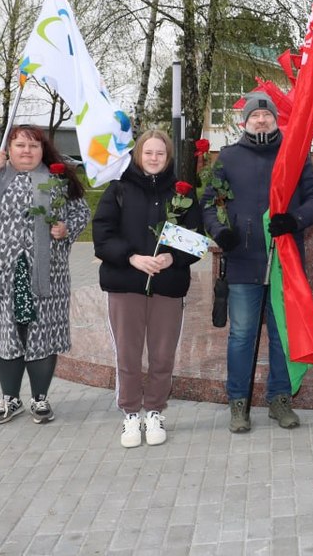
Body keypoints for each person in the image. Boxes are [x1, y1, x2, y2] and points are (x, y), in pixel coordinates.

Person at [202, 91, 313, 434]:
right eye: (255, 116)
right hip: (244, 260)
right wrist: (219, 231)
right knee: (241, 335)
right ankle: (238, 403)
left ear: (275, 119)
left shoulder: (294, 155)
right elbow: (210, 202)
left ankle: (280, 399)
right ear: (245, 122)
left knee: (281, 334)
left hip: (284, 260)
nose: (261, 120)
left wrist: (295, 220)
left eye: (267, 115)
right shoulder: (228, 157)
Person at [0, 124, 90, 426]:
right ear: (9, 149)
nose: (27, 151)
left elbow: (81, 213)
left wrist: (65, 229)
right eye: (20, 145)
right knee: (8, 333)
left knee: (41, 334)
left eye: (33, 146)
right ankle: (10, 398)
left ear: (43, 150)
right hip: (0, 275)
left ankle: (40, 399)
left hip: (45, 275)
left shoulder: (56, 179)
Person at [92, 129, 204, 448]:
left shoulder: (182, 193)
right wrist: (132, 257)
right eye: (148, 152)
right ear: (138, 154)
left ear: (168, 158)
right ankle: (130, 413)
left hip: (167, 286)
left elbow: (195, 237)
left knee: (162, 354)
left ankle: (154, 410)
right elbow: (102, 234)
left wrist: (172, 256)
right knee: (128, 353)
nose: (153, 158)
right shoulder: (119, 188)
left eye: (160, 153)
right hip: (126, 284)